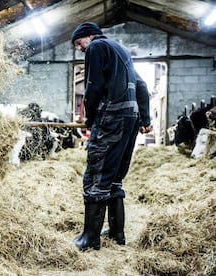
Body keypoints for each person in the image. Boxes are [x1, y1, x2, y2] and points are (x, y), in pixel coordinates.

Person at [70, 22, 151, 251]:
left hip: (111, 117)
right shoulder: (122, 51)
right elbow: (142, 86)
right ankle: (117, 233)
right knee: (114, 177)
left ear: (89, 36)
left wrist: (89, 117)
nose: (80, 49)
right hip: (130, 119)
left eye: (79, 43)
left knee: (96, 175)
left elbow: (93, 86)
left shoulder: (97, 47)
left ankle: (90, 238)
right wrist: (145, 119)